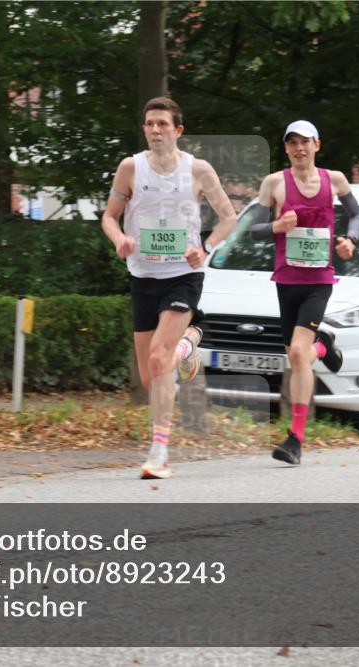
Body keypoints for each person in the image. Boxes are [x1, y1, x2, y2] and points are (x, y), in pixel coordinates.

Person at [102, 96, 237, 479]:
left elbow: (229, 217)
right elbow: (110, 218)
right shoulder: (130, 168)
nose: (155, 130)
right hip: (142, 276)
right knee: (151, 376)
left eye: (163, 124)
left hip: (183, 275)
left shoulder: (198, 170)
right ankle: (189, 342)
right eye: (149, 124)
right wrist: (118, 239)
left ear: (178, 130)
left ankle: (159, 452)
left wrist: (206, 248)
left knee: (160, 361)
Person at [250, 120, 359, 465]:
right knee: (297, 355)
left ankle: (295, 438)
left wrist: (350, 241)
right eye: (293, 143)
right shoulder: (273, 184)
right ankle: (323, 346)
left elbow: (357, 215)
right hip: (286, 280)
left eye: (305, 142)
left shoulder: (335, 180)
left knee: (297, 355)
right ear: (285, 148)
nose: (299, 149)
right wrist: (276, 226)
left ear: (317, 145)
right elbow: (254, 230)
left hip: (319, 281)